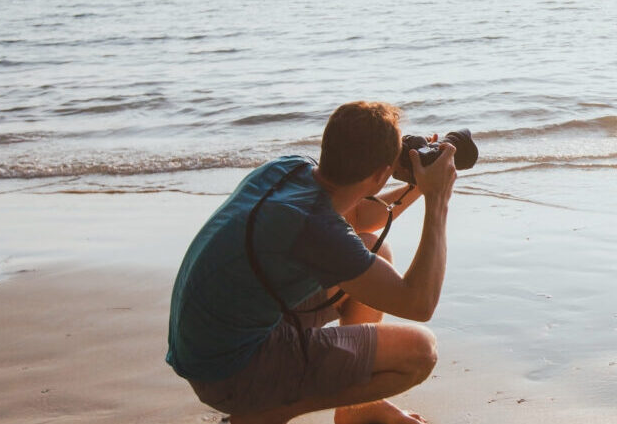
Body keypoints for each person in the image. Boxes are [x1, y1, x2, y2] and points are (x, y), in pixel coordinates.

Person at [166, 101, 458, 424]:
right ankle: (267, 414)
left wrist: (417, 186)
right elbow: (419, 303)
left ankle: (358, 409)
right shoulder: (315, 229)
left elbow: (359, 215)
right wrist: (438, 199)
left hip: (207, 343)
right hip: (229, 372)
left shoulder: (290, 169)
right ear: (379, 176)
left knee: (373, 249)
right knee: (420, 353)